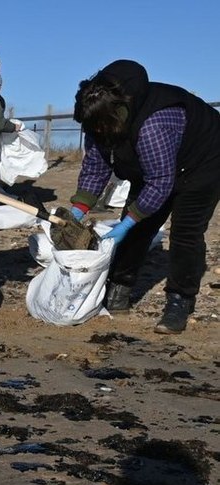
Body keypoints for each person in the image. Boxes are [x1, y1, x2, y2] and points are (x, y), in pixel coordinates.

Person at [70, 59, 220, 334]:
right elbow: (95, 166)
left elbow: (161, 182)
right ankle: (119, 288)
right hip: (153, 166)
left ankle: (179, 300)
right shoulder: (97, 117)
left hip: (203, 163)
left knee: (185, 233)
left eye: (100, 128)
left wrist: (127, 222)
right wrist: (79, 207)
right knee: (138, 228)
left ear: (118, 115)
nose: (96, 133)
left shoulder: (154, 124)